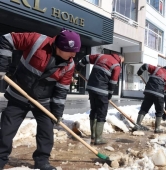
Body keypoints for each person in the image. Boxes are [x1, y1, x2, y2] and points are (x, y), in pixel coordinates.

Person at [0, 28, 81, 170]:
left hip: (42, 101)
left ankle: (42, 161)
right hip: (19, 95)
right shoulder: (37, 41)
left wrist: (57, 112)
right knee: (7, 130)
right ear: (60, 47)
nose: (74, 54)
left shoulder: (70, 65)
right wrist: (2, 66)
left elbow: (61, 91)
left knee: (46, 131)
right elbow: (7, 39)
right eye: (71, 50)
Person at [76, 53, 124, 145]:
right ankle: (98, 138)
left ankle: (93, 136)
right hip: (102, 91)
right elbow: (113, 82)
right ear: (120, 58)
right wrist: (109, 94)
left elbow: (86, 58)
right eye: (122, 61)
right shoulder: (117, 66)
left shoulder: (100, 56)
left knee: (94, 110)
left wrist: (78, 67)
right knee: (102, 113)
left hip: (91, 87)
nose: (121, 63)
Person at [133, 64, 166, 133]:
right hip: (159, 95)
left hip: (149, 92)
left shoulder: (156, 69)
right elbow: (165, 89)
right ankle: (157, 128)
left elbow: (145, 65)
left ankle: (137, 124)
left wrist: (140, 72)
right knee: (159, 111)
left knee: (144, 109)